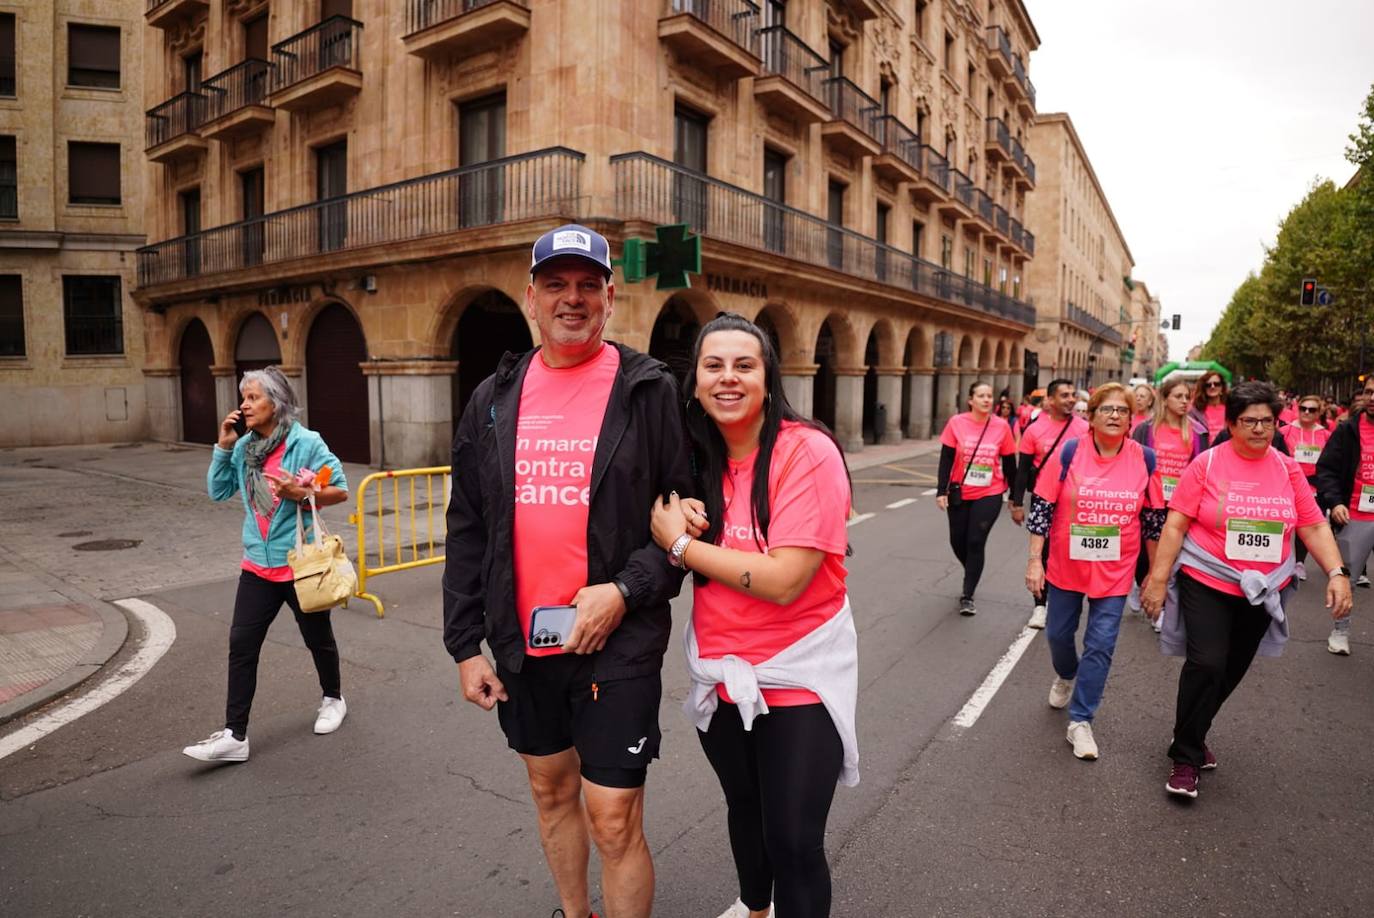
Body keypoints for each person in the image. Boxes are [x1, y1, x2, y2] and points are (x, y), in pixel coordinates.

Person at [442, 224, 691, 918]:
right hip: (524, 643)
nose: (571, 299)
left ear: (610, 298)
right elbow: (467, 524)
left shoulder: (647, 392)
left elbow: (686, 520)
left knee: (613, 817)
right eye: (556, 284)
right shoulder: (493, 398)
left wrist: (623, 590)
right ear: (530, 296)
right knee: (551, 793)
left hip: (619, 642)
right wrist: (465, 645)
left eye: (588, 285)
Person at [650, 312, 857, 918]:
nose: (728, 378)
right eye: (713, 365)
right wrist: (673, 512)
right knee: (745, 806)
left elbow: (786, 581)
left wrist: (682, 545)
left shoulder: (806, 451)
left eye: (745, 365)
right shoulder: (695, 458)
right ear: (694, 382)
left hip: (800, 677)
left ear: (769, 377)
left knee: (793, 839)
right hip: (721, 673)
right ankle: (753, 907)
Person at [1141, 381, 1352, 799]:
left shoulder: (1287, 469)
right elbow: (1177, 524)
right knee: (1207, 664)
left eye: (1267, 422)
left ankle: (1194, 732)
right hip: (1208, 576)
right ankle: (1186, 758)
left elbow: (1311, 525)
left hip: (1263, 587)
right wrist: (1159, 578)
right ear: (1233, 424)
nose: (1259, 429)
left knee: (1232, 669)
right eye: (1249, 421)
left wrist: (1337, 572)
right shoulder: (1205, 464)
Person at [183, 367, 350, 763]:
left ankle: (333, 698)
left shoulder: (306, 443)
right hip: (257, 565)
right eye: (244, 398)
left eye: (253, 397)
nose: (244, 404)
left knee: (318, 640)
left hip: (299, 566)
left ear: (276, 403)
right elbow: (219, 490)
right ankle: (234, 735)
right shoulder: (243, 449)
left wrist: (302, 491)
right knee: (242, 646)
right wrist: (223, 447)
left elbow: (340, 489)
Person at [1025, 383, 1165, 760]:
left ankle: (1081, 720)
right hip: (1067, 567)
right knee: (1058, 635)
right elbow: (1042, 507)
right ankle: (1066, 673)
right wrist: (1035, 559)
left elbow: (1153, 521)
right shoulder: (1070, 453)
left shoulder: (1145, 459)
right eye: (1108, 409)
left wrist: (1155, 573)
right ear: (1092, 416)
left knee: (1101, 644)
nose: (1115, 415)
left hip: (1116, 570)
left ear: (1131, 419)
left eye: (1122, 410)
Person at [1129, 375, 1208, 625]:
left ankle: (1154, 599)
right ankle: (1156, 606)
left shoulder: (1196, 431)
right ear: (1165, 399)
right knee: (1153, 560)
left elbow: (1202, 469)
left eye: (1187, 397)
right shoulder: (1146, 429)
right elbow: (1133, 464)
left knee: (1173, 560)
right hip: (1152, 503)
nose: (1185, 402)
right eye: (1178, 396)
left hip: (1182, 506)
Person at [1010, 378, 1088, 629]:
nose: (1071, 399)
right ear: (1050, 400)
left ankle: (1066, 600)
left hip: (1077, 501)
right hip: (1044, 499)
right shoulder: (1035, 429)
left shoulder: (1085, 428)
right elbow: (1022, 470)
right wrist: (1018, 502)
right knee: (1042, 552)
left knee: (1069, 550)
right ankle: (1040, 606)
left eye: (1072, 394)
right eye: (1064, 395)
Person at [937, 381, 1018, 616]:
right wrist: (941, 490)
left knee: (975, 541)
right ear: (970, 400)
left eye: (989, 396)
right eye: (981, 396)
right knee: (957, 540)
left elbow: (1010, 464)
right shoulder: (957, 423)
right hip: (959, 491)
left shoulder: (1001, 426)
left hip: (990, 492)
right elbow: (946, 459)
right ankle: (972, 568)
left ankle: (968, 594)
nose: (986, 400)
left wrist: (1014, 496)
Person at [1314, 376, 1374, 656]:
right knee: (1345, 578)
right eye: (1369, 392)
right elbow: (1325, 469)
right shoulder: (1347, 429)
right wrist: (1335, 502)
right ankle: (1340, 631)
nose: (1372, 398)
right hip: (1355, 516)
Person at [1284, 394, 1331, 583]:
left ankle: (1299, 563)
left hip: (1313, 485)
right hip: (1288, 483)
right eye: (1303, 408)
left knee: (1306, 525)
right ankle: (1277, 561)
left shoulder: (1326, 435)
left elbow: (1330, 462)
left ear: (1319, 413)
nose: (1306, 412)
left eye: (1311, 410)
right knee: (1284, 523)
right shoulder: (1285, 431)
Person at [1188, 371, 1229, 440]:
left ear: (1222, 387)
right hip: (1205, 449)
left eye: (1216, 384)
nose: (1212, 387)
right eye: (1208, 385)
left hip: (1226, 448)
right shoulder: (1194, 410)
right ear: (1203, 388)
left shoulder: (1230, 407)